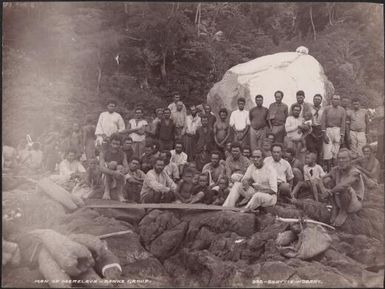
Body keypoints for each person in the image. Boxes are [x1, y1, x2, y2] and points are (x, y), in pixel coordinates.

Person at [322, 149, 365, 227]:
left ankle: (343, 212)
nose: (341, 160)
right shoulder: (336, 169)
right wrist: (327, 181)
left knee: (344, 188)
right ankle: (335, 207)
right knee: (330, 181)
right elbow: (324, 178)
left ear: (350, 159)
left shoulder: (354, 172)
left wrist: (330, 192)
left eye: (344, 158)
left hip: (353, 203)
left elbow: (344, 184)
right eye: (339, 158)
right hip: (339, 199)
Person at [99, 133, 129, 202]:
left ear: (120, 144)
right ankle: (107, 191)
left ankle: (120, 194)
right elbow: (101, 168)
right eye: (114, 143)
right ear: (110, 143)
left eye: (117, 144)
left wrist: (121, 172)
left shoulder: (123, 154)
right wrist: (114, 172)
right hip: (105, 176)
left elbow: (127, 168)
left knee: (120, 167)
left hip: (119, 176)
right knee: (112, 164)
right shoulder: (104, 152)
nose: (115, 146)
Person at [321, 94, 346, 172]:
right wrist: (324, 134)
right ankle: (329, 171)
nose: (336, 101)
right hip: (328, 130)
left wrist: (342, 135)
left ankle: (335, 170)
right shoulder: (327, 109)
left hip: (338, 131)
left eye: (338, 99)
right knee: (327, 151)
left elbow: (343, 123)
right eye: (335, 99)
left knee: (336, 152)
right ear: (331, 100)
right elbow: (323, 121)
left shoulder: (342, 110)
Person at [306, 94, 324, 164]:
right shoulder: (309, 108)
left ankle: (319, 166)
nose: (317, 100)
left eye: (318, 99)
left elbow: (324, 120)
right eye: (315, 99)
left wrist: (322, 131)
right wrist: (310, 130)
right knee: (311, 149)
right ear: (313, 100)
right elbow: (306, 119)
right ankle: (311, 164)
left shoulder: (323, 109)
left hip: (320, 129)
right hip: (311, 129)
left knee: (319, 150)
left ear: (321, 101)